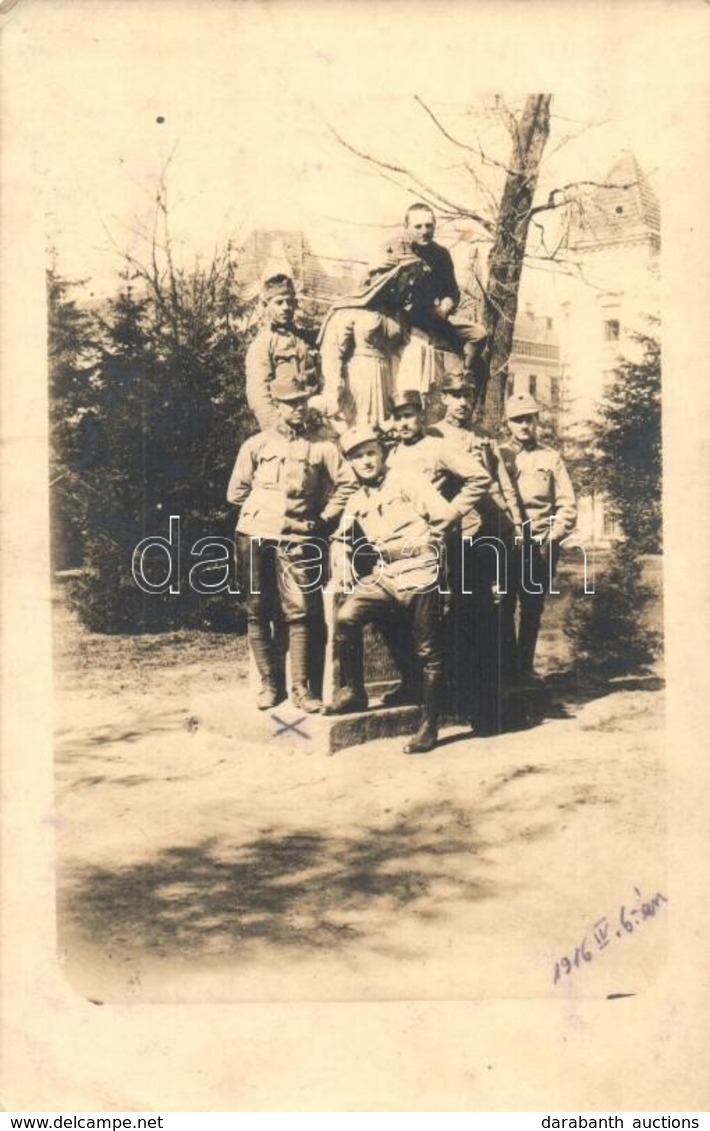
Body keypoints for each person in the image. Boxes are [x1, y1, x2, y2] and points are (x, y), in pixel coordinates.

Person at [227, 372, 356, 713]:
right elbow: (236, 492)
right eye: (290, 402)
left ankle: (301, 689)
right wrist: (265, 512)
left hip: (297, 537)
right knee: (256, 609)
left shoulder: (322, 446)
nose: (298, 408)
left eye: (302, 401)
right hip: (254, 536)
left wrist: (324, 518)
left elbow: (348, 484)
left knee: (300, 610)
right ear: (277, 405)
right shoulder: (256, 445)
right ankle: (271, 686)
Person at [327, 426, 458, 754]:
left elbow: (444, 515)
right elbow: (341, 536)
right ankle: (355, 691)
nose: (367, 461)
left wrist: (429, 544)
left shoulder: (407, 479)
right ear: (350, 463)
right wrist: (341, 559)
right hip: (385, 575)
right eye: (358, 456)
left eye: (371, 452)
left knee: (429, 652)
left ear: (382, 453)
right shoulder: (357, 498)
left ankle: (429, 727)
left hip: (419, 571)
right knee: (346, 617)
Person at [428, 373, 523, 734]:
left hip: (486, 536)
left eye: (468, 394)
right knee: (453, 616)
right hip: (451, 536)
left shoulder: (484, 436)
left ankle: (488, 706)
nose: (463, 402)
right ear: (443, 398)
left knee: (487, 617)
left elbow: (500, 482)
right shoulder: (433, 436)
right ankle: (455, 701)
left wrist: (514, 522)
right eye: (455, 395)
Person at [498, 393, 577, 688]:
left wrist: (552, 538)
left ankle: (524, 667)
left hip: (540, 544)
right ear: (508, 423)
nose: (524, 425)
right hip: (507, 544)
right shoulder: (499, 455)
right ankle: (507, 669)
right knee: (504, 606)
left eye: (529, 419)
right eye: (518, 419)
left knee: (532, 607)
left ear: (536, 422)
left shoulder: (550, 457)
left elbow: (567, 504)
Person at [373, 204, 487, 389]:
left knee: (479, 334)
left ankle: (463, 377)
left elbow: (452, 291)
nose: (424, 231)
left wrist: (445, 306)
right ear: (407, 227)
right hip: (402, 315)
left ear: (434, 226)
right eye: (418, 226)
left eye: (429, 226)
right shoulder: (396, 251)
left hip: (432, 314)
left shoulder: (441, 255)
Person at [314, 256, 426, 432]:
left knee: (389, 426)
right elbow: (332, 351)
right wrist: (334, 384)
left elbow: (410, 347)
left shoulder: (397, 315)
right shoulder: (351, 309)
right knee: (359, 427)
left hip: (389, 376)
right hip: (359, 375)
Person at [245, 274, 319, 430]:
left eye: (290, 302)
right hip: (283, 424)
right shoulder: (263, 344)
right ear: (266, 306)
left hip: (314, 420)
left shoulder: (306, 338)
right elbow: (259, 395)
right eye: (279, 302)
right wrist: (277, 428)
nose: (286, 307)